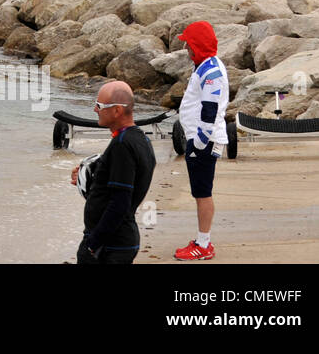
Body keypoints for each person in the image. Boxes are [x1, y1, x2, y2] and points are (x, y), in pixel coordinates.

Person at [70, 80, 156, 264]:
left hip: (110, 245)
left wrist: (92, 244)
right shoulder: (141, 139)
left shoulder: (122, 145)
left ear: (117, 110)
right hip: (119, 240)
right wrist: (86, 178)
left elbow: (120, 203)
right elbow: (124, 186)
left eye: (99, 106)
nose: (95, 109)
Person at [174, 21, 228, 260]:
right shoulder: (205, 66)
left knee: (202, 192)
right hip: (200, 138)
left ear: (196, 46)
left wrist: (198, 143)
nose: (185, 47)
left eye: (188, 43)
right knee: (201, 192)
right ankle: (202, 240)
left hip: (203, 141)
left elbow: (210, 109)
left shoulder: (211, 71)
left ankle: (203, 245)